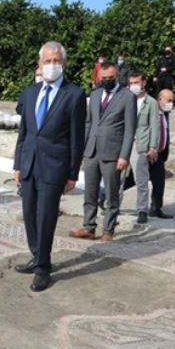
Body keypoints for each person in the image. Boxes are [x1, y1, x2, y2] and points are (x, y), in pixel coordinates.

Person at [13, 41, 87, 292]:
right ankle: (36, 255)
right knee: (30, 214)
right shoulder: (30, 92)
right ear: (39, 64)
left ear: (63, 63)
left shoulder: (74, 95)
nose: (52, 65)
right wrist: (17, 164)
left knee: (46, 217)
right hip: (29, 163)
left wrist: (72, 173)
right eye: (47, 61)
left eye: (57, 60)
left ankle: (43, 267)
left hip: (55, 167)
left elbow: (77, 137)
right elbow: (24, 132)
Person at [70, 62, 136, 241]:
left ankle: (108, 230)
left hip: (113, 154)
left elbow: (130, 130)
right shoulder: (95, 93)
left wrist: (124, 155)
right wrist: (83, 148)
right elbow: (89, 123)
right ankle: (88, 227)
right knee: (89, 192)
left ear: (117, 77)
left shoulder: (127, 97)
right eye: (103, 78)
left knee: (111, 194)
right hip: (92, 151)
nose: (106, 81)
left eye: (110, 78)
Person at [121, 71, 160, 223]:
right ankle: (114, 206)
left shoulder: (150, 102)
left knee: (141, 179)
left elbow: (154, 126)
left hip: (141, 144)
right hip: (123, 142)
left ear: (144, 82)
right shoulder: (124, 99)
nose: (134, 86)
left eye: (137, 82)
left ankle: (142, 209)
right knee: (118, 177)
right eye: (131, 83)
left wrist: (153, 147)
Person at [149, 89, 175, 218]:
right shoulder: (150, 111)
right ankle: (104, 196)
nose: (171, 104)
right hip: (147, 152)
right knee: (131, 180)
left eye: (172, 101)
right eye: (169, 100)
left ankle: (156, 208)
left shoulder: (165, 114)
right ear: (160, 99)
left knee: (159, 182)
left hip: (159, 154)